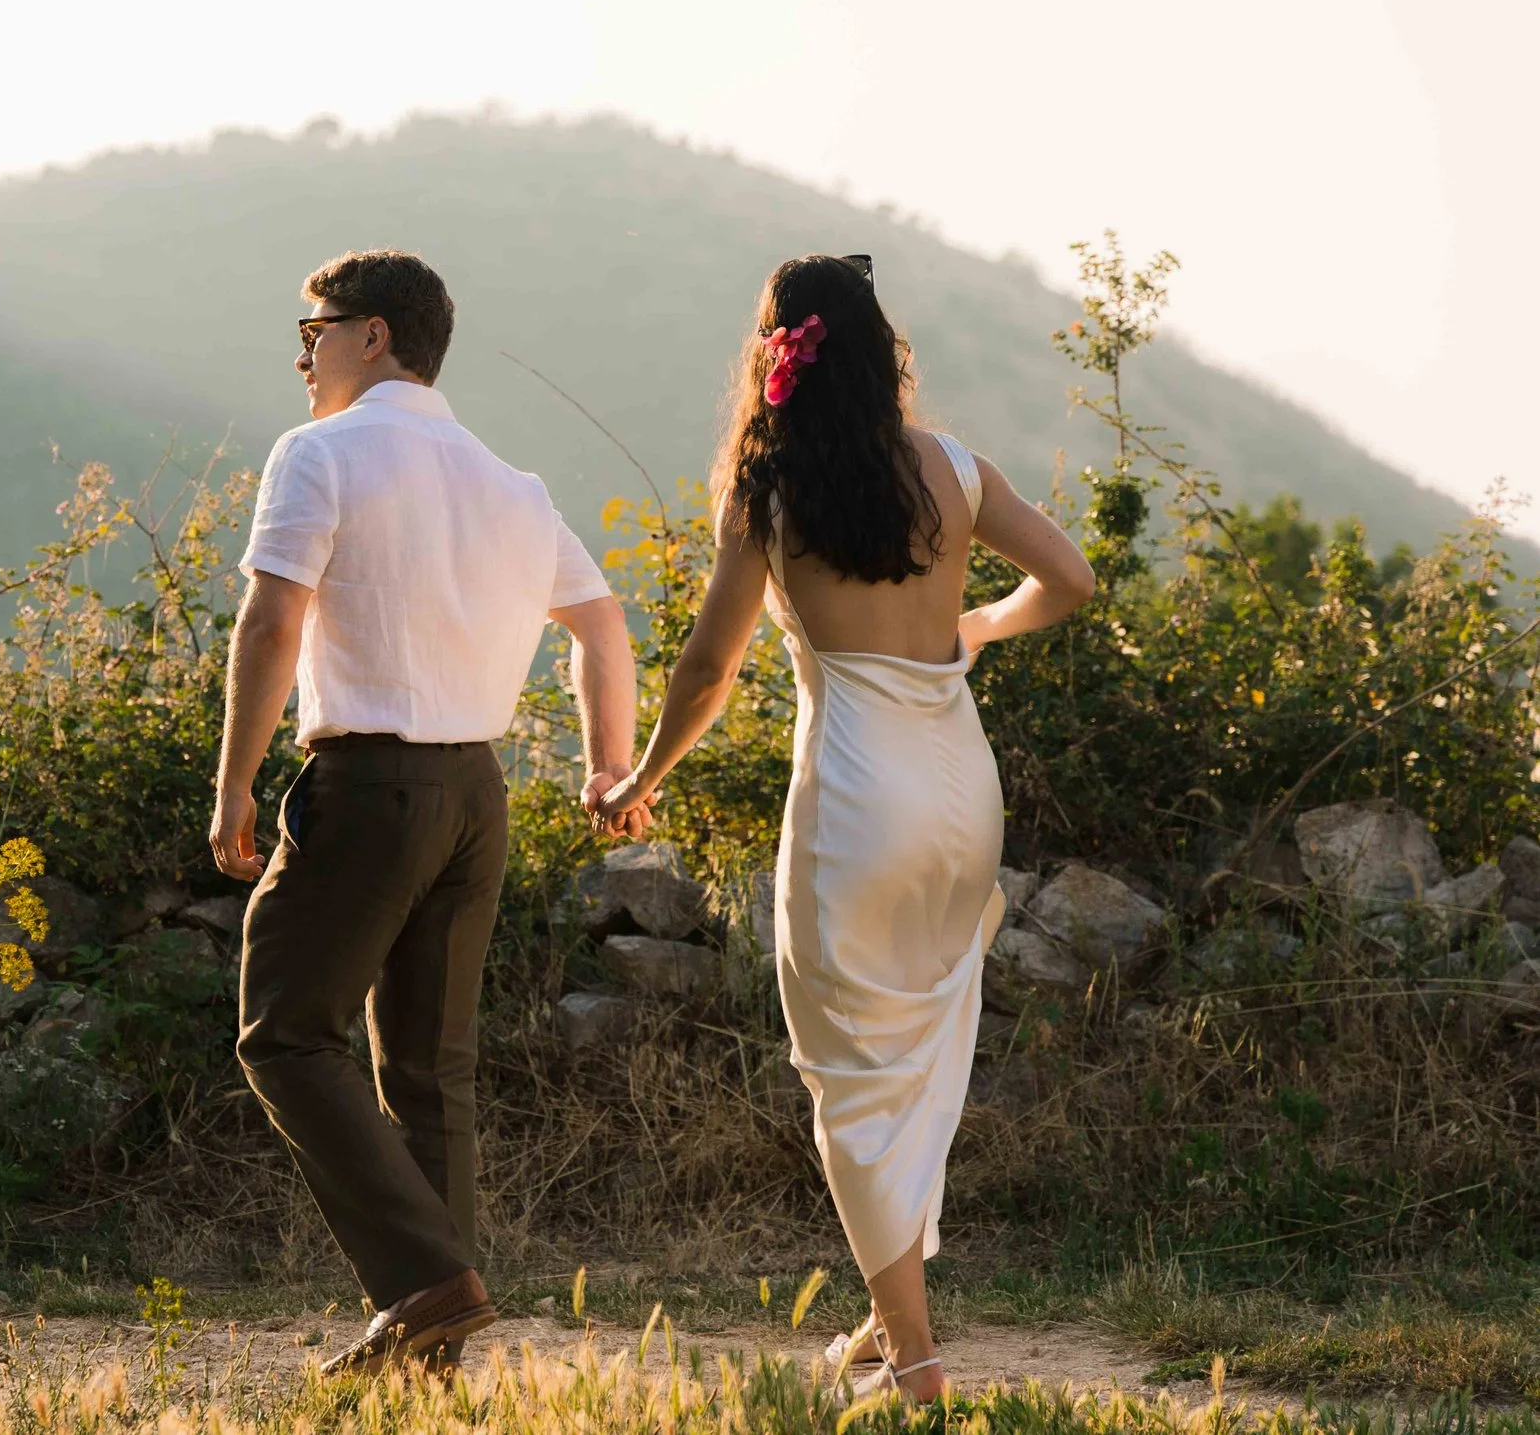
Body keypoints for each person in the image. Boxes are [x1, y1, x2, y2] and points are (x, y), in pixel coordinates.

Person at [598, 254, 1094, 1402]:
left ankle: (915, 1362)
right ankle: (887, 1318)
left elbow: (710, 664)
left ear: (778, 355)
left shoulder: (767, 493)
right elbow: (1066, 578)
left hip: (856, 802)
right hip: (961, 792)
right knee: (914, 1051)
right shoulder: (956, 469)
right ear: (880, 350)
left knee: (847, 1072)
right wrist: (971, 625)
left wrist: (641, 774)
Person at [210, 248, 642, 1375]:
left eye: (314, 326)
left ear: (375, 335)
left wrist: (234, 780)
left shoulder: (319, 452)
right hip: (474, 794)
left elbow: (269, 625)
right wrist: (607, 766)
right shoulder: (512, 484)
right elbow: (603, 627)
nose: (300, 350)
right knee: (428, 1067)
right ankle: (429, 1349)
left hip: (366, 785)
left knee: (285, 1030)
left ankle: (420, 1283)